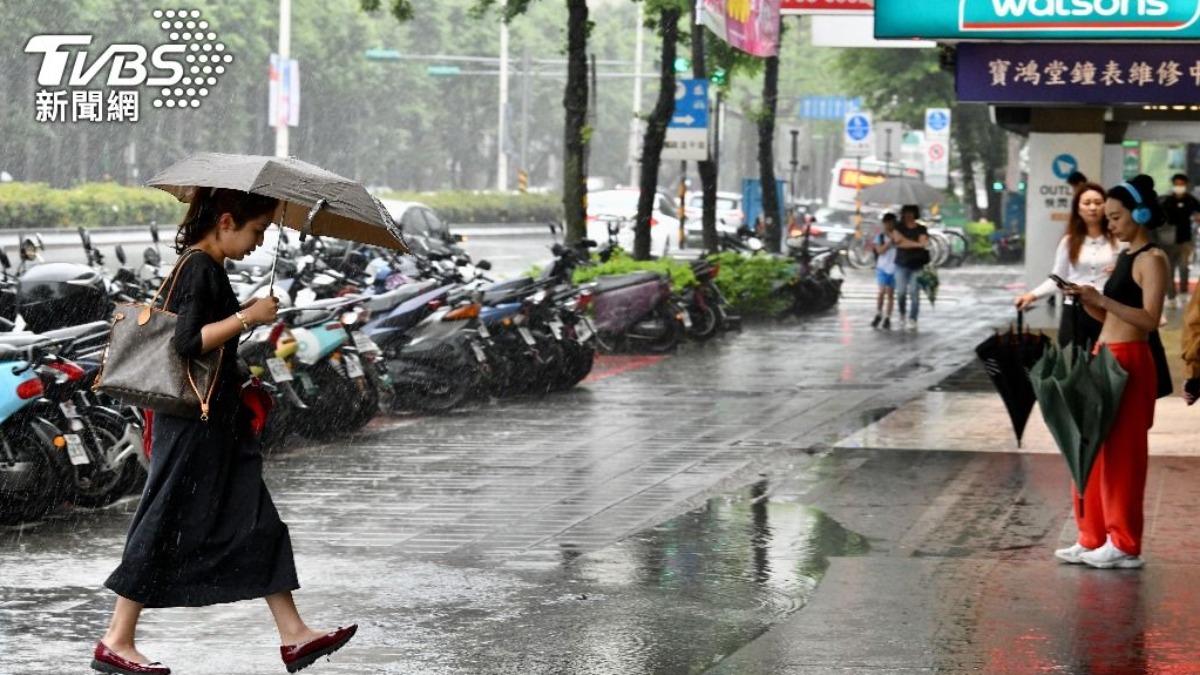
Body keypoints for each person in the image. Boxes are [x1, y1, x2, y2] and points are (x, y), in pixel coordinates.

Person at [94, 188, 357, 675]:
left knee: (257, 522)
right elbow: (189, 342)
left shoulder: (207, 267)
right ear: (227, 220)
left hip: (217, 423)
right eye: (257, 230)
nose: (259, 242)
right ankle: (116, 638)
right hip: (193, 425)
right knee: (163, 518)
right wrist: (247, 317)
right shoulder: (198, 266)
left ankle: (294, 635)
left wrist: (241, 353)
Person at [1058, 174, 1169, 570]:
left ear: (1139, 215)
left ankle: (1124, 542)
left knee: (1123, 455)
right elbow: (1111, 313)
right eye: (1108, 218)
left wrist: (1102, 297)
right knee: (1091, 449)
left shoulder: (1152, 259)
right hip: (1106, 351)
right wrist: (1089, 300)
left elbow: (1150, 319)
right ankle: (1094, 535)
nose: (1110, 225)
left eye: (1117, 217)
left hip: (1130, 358)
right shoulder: (1126, 257)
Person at [1014, 183, 1118, 348]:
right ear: (1078, 208)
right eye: (1087, 203)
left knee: (1106, 365)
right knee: (1074, 363)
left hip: (1107, 309)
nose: (1093, 208)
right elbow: (1058, 278)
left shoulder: (1118, 240)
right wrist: (1032, 295)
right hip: (1074, 309)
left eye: (1098, 203)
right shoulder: (1069, 241)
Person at [1158, 173, 1200, 307]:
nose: (1179, 187)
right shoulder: (1167, 200)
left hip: (1186, 239)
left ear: (1186, 185)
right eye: (1177, 184)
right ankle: (1171, 296)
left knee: (1184, 267)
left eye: (1182, 184)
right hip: (1169, 240)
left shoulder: (1190, 200)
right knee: (1169, 268)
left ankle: (1183, 292)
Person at [891, 204, 930, 332]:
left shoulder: (922, 228)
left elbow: (923, 243)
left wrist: (906, 242)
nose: (908, 215)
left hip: (917, 265)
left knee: (914, 292)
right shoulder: (898, 227)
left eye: (911, 213)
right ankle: (902, 313)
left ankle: (913, 318)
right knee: (901, 292)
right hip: (901, 264)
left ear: (915, 214)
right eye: (906, 213)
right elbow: (898, 243)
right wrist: (917, 244)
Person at [871, 213, 897, 330]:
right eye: (887, 223)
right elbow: (880, 251)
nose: (889, 225)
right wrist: (889, 242)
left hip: (895, 268)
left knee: (890, 294)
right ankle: (879, 313)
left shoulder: (899, 236)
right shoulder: (880, 237)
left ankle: (888, 317)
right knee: (882, 292)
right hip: (882, 267)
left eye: (891, 223)